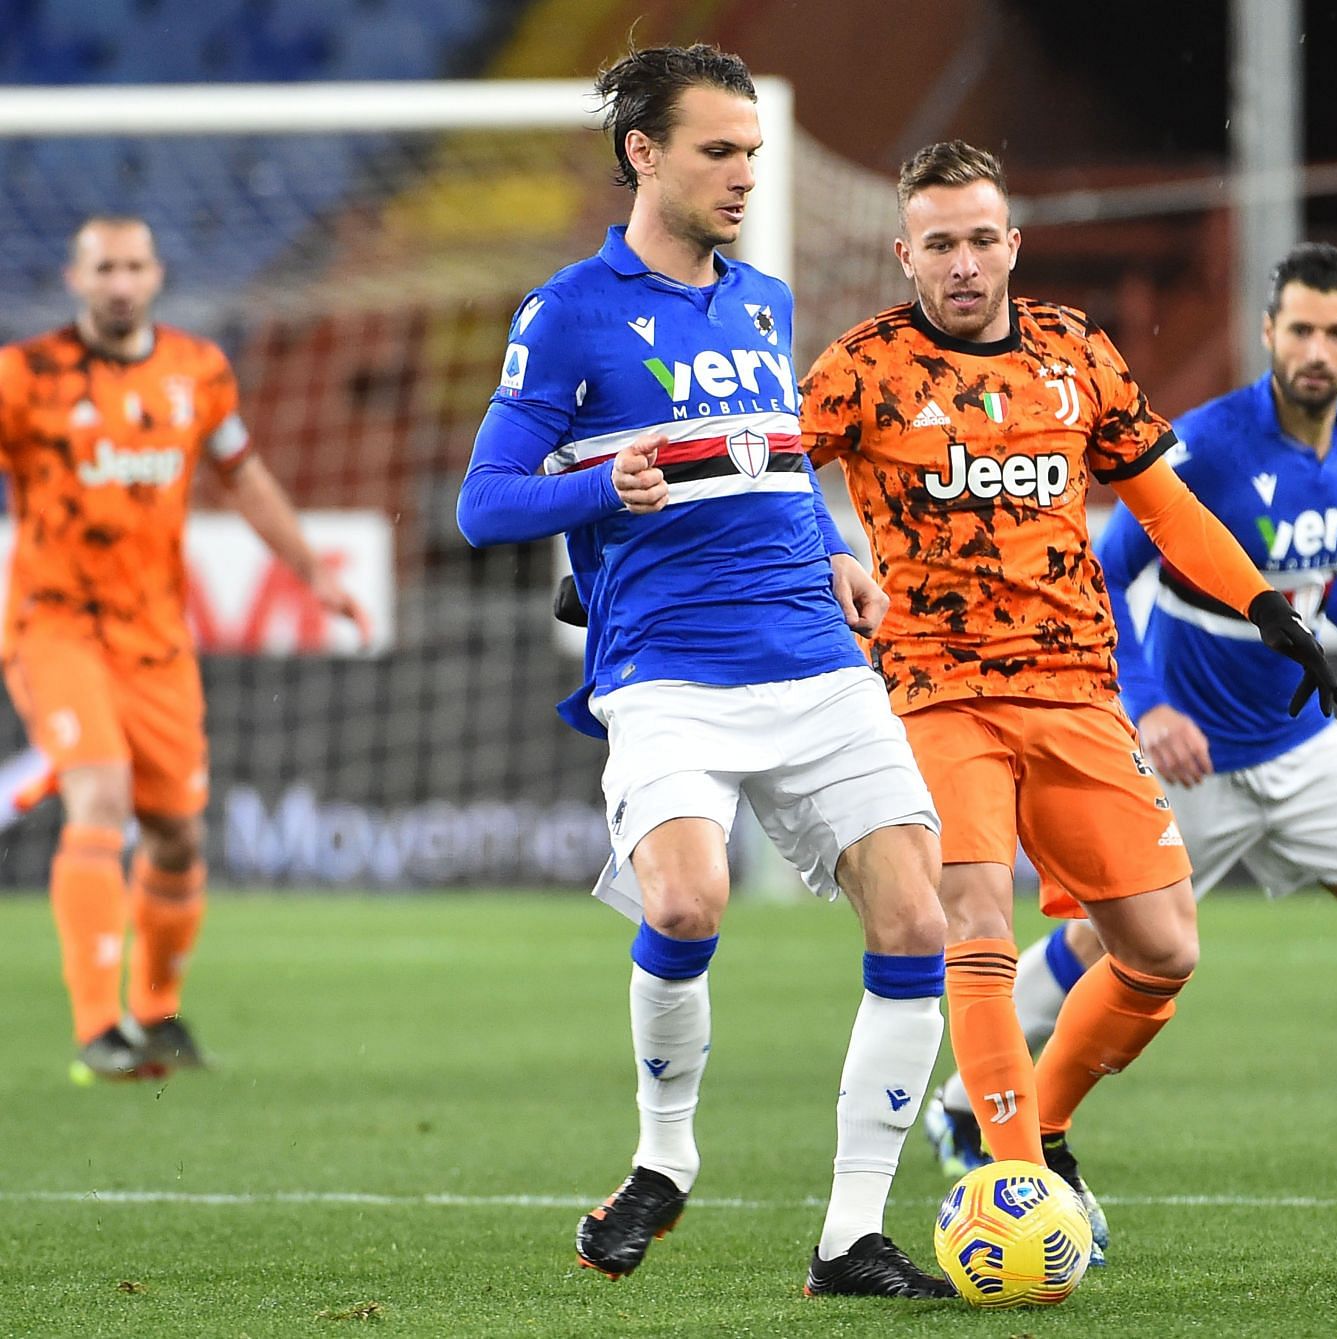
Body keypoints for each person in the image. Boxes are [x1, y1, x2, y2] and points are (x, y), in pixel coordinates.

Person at [456, 44, 955, 1298]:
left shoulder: (765, 301)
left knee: (917, 921)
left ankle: (850, 1236)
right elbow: (482, 503)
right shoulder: (569, 310)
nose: (744, 175)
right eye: (718, 152)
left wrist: (840, 549)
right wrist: (595, 485)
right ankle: (664, 1157)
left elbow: (777, 457)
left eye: (751, 154)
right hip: (669, 669)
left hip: (811, 655)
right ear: (645, 154)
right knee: (683, 905)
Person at [799, 141, 1337, 1266]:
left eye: (980, 239)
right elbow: (761, 485)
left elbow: (1165, 503)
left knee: (1161, 951)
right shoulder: (859, 367)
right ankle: (1014, 1177)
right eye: (938, 244)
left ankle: (1035, 1122)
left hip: (1077, 693)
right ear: (906, 253)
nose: (962, 263)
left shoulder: (1075, 351)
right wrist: (636, 567)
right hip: (938, 692)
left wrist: (1265, 603)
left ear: (1014, 243)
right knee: (976, 920)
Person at [927, 243, 1337, 1177]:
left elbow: (1321, 581)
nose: (1316, 347)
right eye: (1299, 327)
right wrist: (1145, 708)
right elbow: (1107, 572)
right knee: (1092, 945)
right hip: (1193, 760)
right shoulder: (1209, 442)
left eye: (1336, 331)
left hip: (1305, 745)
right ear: (1268, 332)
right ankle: (962, 1105)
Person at [0, 216, 371, 1086]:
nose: (120, 282)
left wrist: (311, 568)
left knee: (175, 837)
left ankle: (155, 1012)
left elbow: (242, 474)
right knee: (98, 792)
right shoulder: (26, 378)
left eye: (134, 266)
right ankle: (100, 1030)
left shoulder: (197, 372)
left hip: (156, 636)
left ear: (156, 275)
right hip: (53, 624)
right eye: (104, 268)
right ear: (76, 278)